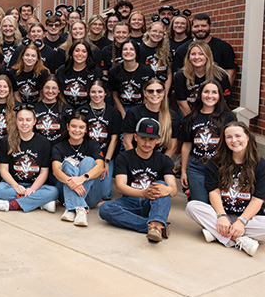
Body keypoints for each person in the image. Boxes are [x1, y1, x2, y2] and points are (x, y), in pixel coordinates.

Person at [185, 122, 265, 256]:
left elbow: (258, 198)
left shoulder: (260, 164)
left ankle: (218, 234)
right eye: (229, 137)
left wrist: (241, 221)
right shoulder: (216, 161)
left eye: (238, 136)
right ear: (224, 140)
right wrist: (221, 216)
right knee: (192, 206)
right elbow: (214, 191)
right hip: (220, 215)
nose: (234, 140)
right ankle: (238, 239)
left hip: (249, 219)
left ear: (248, 137)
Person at [99, 118, 178, 242]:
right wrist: (143, 193)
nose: (147, 143)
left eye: (151, 139)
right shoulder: (124, 157)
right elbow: (120, 186)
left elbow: (173, 189)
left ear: (157, 141)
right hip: (130, 201)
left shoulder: (164, 160)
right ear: (135, 137)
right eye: (143, 138)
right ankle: (155, 226)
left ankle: (156, 223)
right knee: (105, 209)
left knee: (162, 185)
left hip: (151, 203)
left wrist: (166, 189)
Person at [0, 105, 57, 213]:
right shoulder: (7, 140)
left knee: (54, 191)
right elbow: (3, 170)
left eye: (28, 120)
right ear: (16, 121)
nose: (24, 123)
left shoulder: (43, 142)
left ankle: (11, 205)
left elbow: (44, 172)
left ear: (34, 121)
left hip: (35, 185)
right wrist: (16, 186)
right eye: (21, 120)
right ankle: (40, 203)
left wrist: (33, 189)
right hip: (12, 185)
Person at [179, 80, 236, 203]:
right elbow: (186, 146)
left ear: (219, 95)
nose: (210, 96)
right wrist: (183, 171)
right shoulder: (191, 118)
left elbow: (234, 144)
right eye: (206, 92)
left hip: (221, 166)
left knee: (219, 203)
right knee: (200, 204)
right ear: (200, 95)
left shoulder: (228, 117)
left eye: (214, 92)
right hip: (196, 166)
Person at [52, 113, 106, 226]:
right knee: (67, 164)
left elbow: (101, 167)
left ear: (86, 130)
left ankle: (70, 208)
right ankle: (80, 209)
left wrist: (82, 179)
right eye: (73, 126)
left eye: (81, 127)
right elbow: (56, 171)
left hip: (90, 196)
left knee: (89, 161)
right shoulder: (58, 147)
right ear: (67, 127)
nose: (77, 130)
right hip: (65, 195)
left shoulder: (92, 144)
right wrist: (71, 182)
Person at [84, 79, 122, 200]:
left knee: (105, 195)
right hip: (87, 157)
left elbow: (114, 139)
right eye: (93, 92)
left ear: (105, 93)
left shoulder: (114, 112)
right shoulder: (82, 111)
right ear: (88, 93)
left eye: (100, 91)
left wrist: (106, 162)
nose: (96, 95)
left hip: (106, 156)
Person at [174, 13, 237, 84]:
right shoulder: (182, 49)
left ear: (210, 26)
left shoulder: (224, 47)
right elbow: (177, 74)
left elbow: (230, 73)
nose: (200, 29)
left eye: (203, 26)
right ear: (192, 27)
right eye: (196, 26)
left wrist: (221, 93)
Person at [173, 41, 232, 116]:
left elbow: (223, 102)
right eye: (193, 54)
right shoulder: (181, 76)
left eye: (201, 54)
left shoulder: (220, 75)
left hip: (215, 115)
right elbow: (182, 104)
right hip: (190, 114)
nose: (196, 57)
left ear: (207, 56)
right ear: (188, 56)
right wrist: (193, 123)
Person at [122, 78, 178, 157]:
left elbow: (173, 146)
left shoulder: (172, 116)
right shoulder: (133, 113)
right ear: (145, 93)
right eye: (150, 91)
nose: (155, 94)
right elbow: (127, 142)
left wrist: (163, 165)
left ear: (164, 93)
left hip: (161, 161)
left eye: (159, 91)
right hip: (136, 160)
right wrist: (136, 163)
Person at [108, 41, 154, 118]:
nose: (128, 52)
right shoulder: (113, 71)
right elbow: (114, 95)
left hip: (141, 106)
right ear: (121, 52)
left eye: (132, 49)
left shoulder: (147, 71)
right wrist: (123, 114)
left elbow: (148, 95)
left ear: (136, 53)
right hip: (122, 107)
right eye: (125, 49)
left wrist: (141, 112)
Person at [56, 41, 102, 109]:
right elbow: (59, 93)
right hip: (66, 108)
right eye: (77, 51)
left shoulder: (96, 72)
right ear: (72, 53)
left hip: (89, 109)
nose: (80, 54)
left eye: (84, 51)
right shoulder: (62, 70)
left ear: (88, 54)